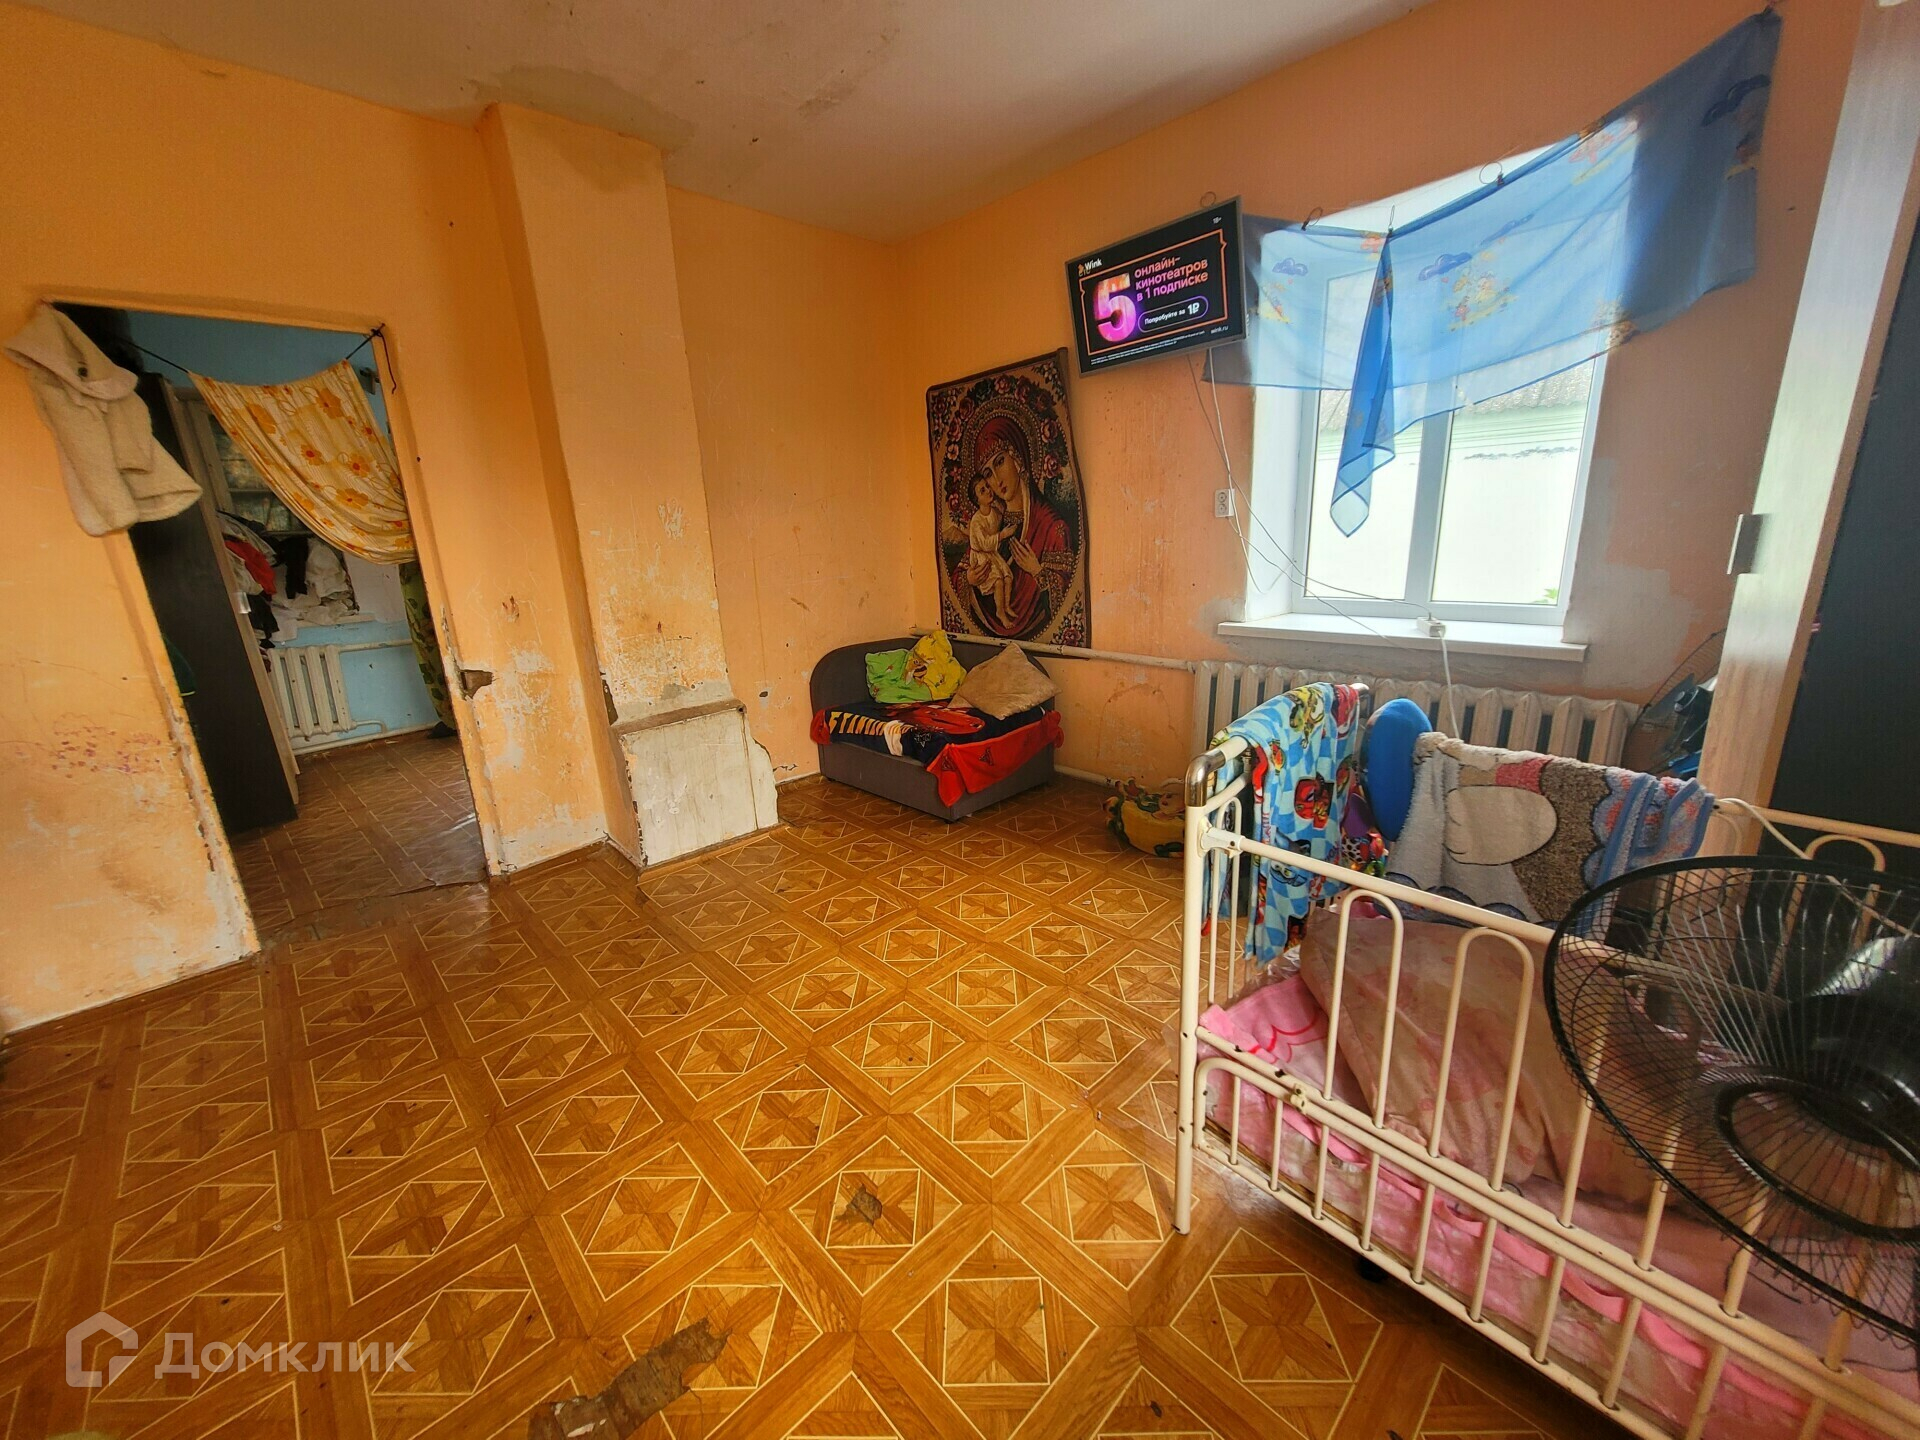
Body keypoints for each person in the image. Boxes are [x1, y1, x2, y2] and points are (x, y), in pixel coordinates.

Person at [961, 414, 1072, 638]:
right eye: (988, 474)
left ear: (1017, 457)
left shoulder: (1051, 526)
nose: (996, 479)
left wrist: (1037, 571)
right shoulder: (993, 522)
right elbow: (964, 569)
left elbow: (1065, 602)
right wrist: (969, 579)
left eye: (1000, 462)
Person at [961, 475, 1019, 627]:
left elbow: (1000, 520)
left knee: (1007, 577)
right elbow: (985, 544)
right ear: (977, 500)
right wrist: (1002, 535)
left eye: (987, 486)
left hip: (992, 554)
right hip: (982, 557)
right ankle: (1000, 613)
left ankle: (1007, 606)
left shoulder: (995, 512)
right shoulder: (976, 521)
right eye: (982, 490)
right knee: (998, 581)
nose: (988, 490)